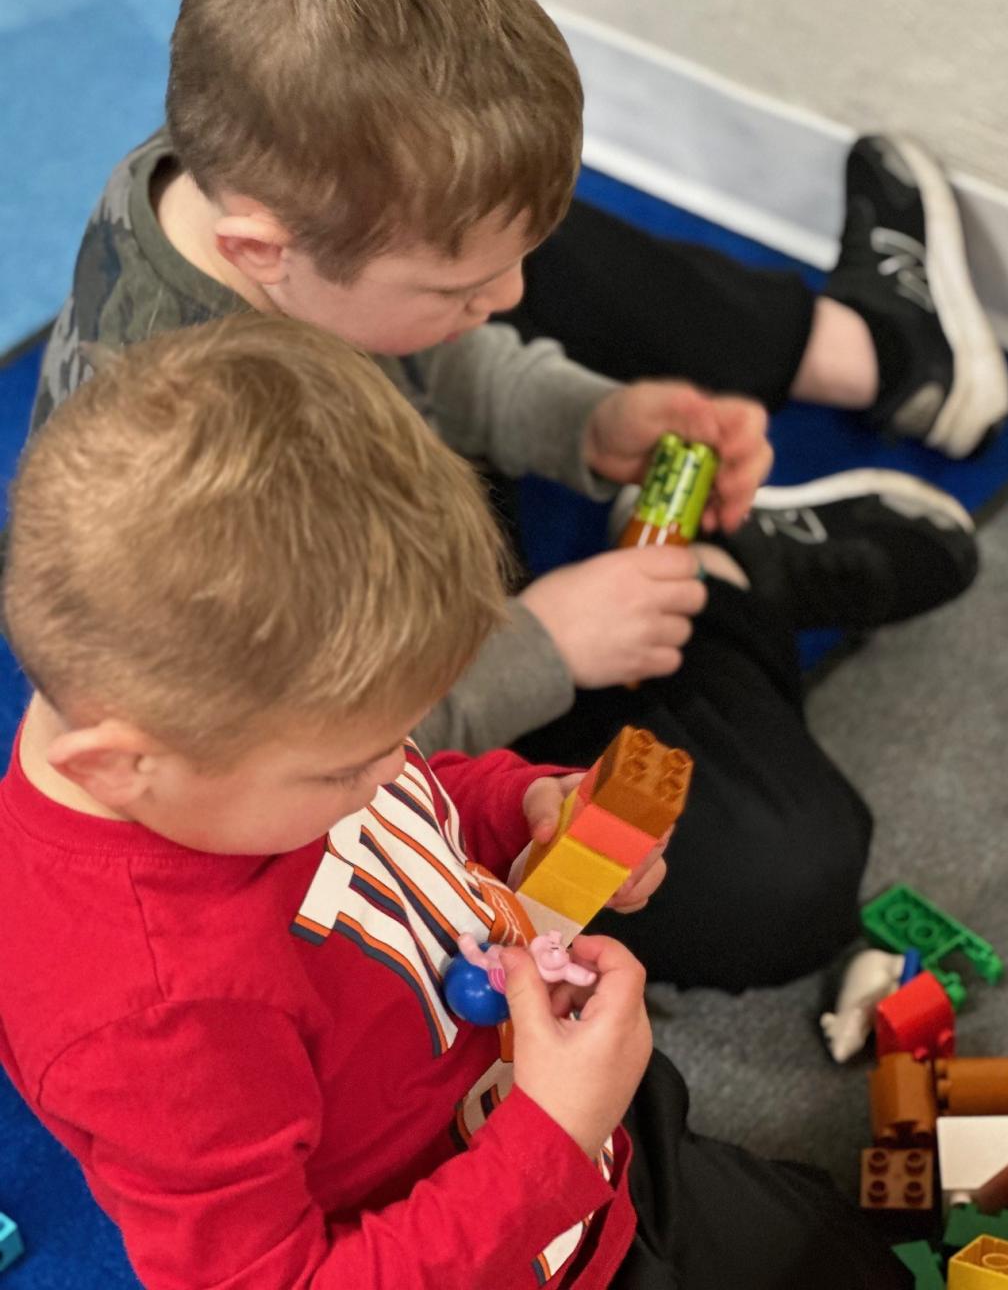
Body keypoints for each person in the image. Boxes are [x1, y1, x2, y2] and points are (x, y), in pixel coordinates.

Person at [28, 0, 995, 991]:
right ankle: (731, 585)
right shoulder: (191, 493)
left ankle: (876, 350)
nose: (511, 294)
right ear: (260, 251)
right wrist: (546, 644)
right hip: (338, 674)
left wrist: (585, 418)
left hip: (384, 471)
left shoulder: (250, 178)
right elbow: (305, 744)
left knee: (481, 213)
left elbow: (435, 342)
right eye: (467, 285)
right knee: (783, 879)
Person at [0, 317, 907, 1289]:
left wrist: (521, 806)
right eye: (347, 765)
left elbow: (413, 804)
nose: (399, 768)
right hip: (505, 1225)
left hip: (590, 1142)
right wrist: (551, 1142)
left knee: (837, 1255)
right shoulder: (147, 1017)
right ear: (120, 767)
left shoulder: (246, 766)